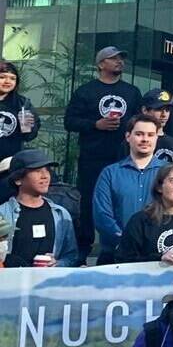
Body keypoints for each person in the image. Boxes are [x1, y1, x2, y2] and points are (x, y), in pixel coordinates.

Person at [65, 45, 143, 260]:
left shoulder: (132, 92)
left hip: (123, 157)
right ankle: (82, 250)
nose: (120, 62)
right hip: (93, 157)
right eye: (113, 58)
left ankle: (122, 244)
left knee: (122, 201)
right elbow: (69, 121)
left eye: (121, 58)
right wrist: (95, 125)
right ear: (101, 64)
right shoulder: (86, 91)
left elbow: (140, 121)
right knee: (89, 203)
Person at [93, 113, 166, 264]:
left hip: (157, 257)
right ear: (128, 136)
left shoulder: (168, 172)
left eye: (150, 135)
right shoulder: (110, 173)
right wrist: (125, 241)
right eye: (139, 134)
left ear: (156, 138)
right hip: (114, 256)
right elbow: (102, 215)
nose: (145, 139)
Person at [0, 149, 79, 268]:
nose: (45, 176)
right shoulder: (3, 214)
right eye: (37, 171)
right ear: (18, 179)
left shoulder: (61, 214)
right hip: (11, 283)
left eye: (47, 170)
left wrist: (58, 264)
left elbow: (71, 256)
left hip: (47, 284)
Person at [0, 60, 39, 165]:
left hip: (10, 161)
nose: (7, 81)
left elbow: (30, 136)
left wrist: (27, 128)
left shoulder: (23, 103)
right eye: (2, 77)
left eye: (12, 78)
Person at [141, 89, 173, 164]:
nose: (164, 114)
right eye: (159, 109)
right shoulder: (135, 140)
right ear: (145, 110)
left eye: (167, 110)